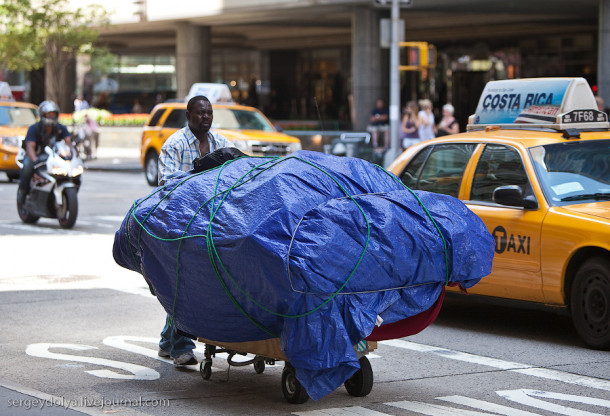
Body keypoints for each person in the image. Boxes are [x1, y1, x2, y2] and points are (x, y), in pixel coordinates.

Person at [156, 95, 236, 366]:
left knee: (200, 282)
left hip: (212, 224)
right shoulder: (174, 145)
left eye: (209, 113)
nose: (206, 117)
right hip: (180, 224)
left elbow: (237, 173)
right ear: (188, 115)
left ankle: (169, 340)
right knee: (184, 283)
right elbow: (167, 185)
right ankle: (181, 346)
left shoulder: (221, 144)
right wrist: (200, 178)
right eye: (200, 113)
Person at [18, 101, 72, 204]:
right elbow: (30, 146)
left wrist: (72, 155)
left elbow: (69, 142)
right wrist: (35, 160)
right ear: (43, 115)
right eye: (49, 114)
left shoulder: (61, 128)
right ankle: (23, 192)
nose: (51, 117)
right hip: (37, 156)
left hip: (54, 157)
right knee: (27, 165)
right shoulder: (34, 128)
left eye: (53, 114)